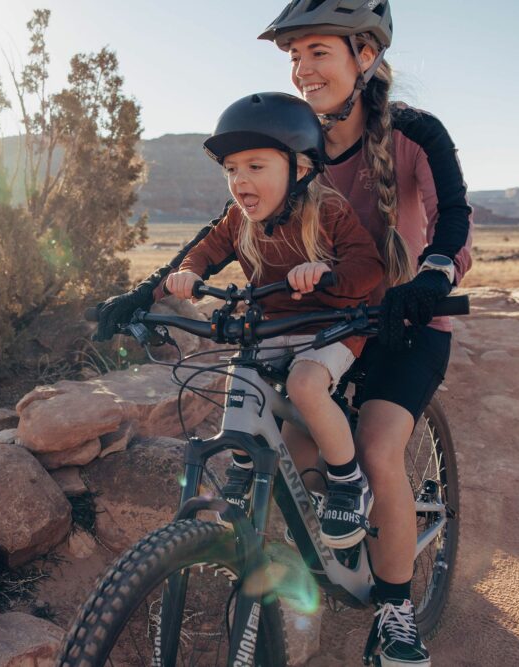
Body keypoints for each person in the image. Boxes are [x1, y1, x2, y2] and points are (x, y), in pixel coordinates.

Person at [93, 2, 473, 665]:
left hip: (401, 324)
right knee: (296, 439)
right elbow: (222, 228)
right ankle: (332, 545)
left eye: (317, 51)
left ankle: (395, 610)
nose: (302, 69)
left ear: (366, 55)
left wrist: (432, 277)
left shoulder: (414, 134)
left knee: (379, 449)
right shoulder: (291, 140)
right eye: (293, 56)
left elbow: (452, 216)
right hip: (315, 326)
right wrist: (147, 288)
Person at [166, 91, 385, 548]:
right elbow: (207, 249)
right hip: (273, 327)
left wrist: (328, 274)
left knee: (306, 385)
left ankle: (348, 481)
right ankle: (245, 461)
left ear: (301, 168)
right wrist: (189, 271)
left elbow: (368, 267)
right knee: (240, 373)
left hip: (334, 327)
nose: (240, 180)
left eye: (256, 167)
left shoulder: (328, 210)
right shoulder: (238, 220)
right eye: (231, 169)